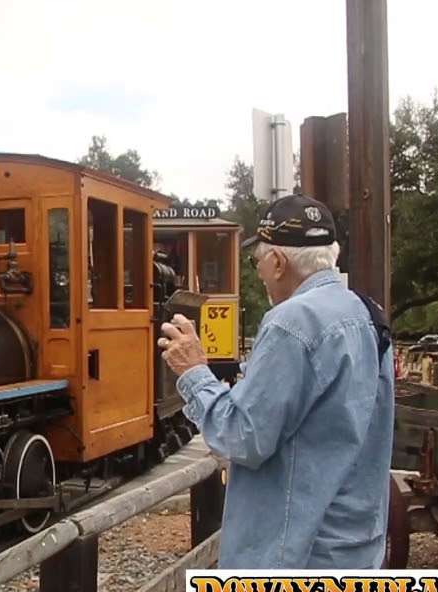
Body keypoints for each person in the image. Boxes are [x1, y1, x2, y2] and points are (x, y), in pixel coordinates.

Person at [157, 194, 395, 569]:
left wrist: (194, 372)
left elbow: (243, 436)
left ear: (279, 262)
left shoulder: (292, 322)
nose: (260, 273)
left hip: (292, 559)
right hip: (354, 550)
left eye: (257, 263)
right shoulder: (366, 313)